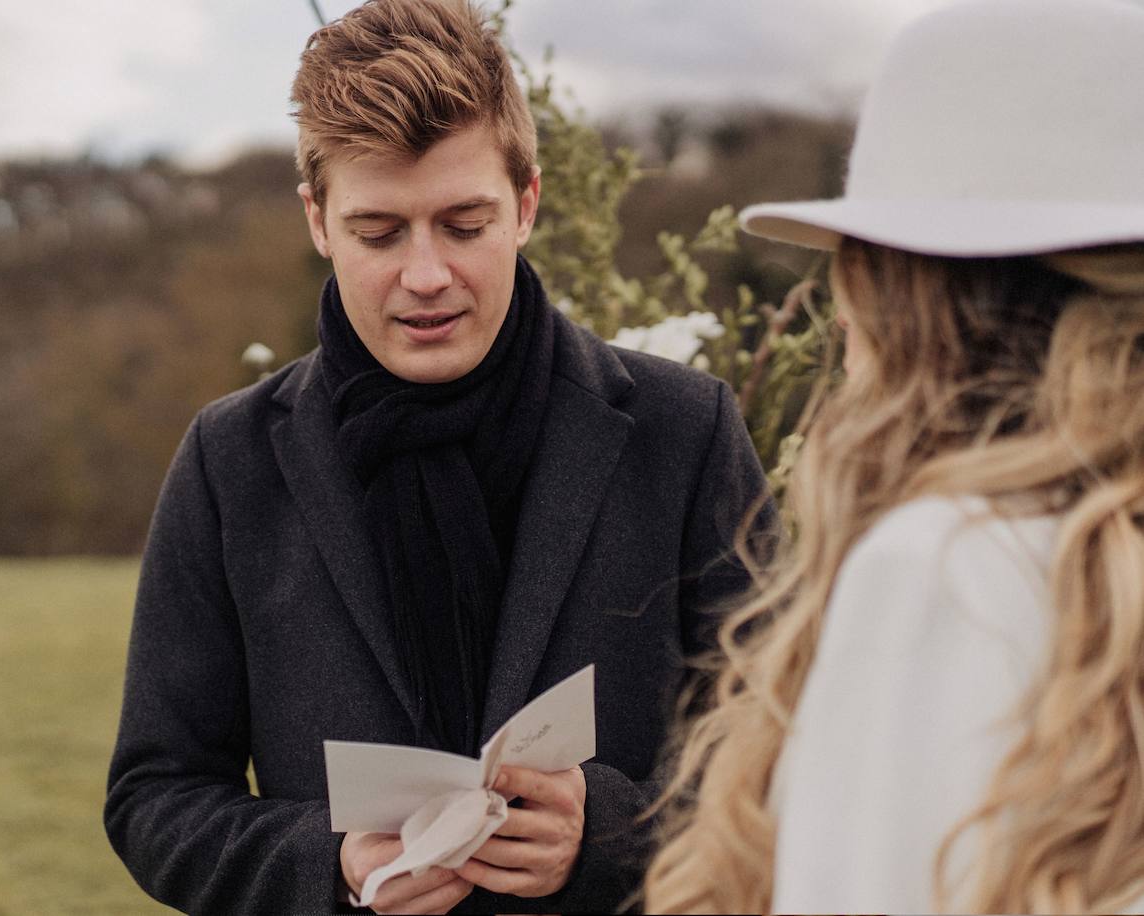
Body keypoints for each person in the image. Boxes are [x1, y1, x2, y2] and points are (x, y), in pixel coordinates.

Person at [104, 1, 772, 913]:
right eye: (379, 233)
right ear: (318, 220)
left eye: (465, 224)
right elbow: (155, 798)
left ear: (527, 203)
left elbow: (786, 757)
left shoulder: (684, 431)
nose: (425, 276)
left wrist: (608, 834)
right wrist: (333, 866)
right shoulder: (229, 462)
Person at [643, 0, 1144, 912]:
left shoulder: (952, 566)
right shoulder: (1097, 558)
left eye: (856, 260)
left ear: (913, 292)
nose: (838, 311)